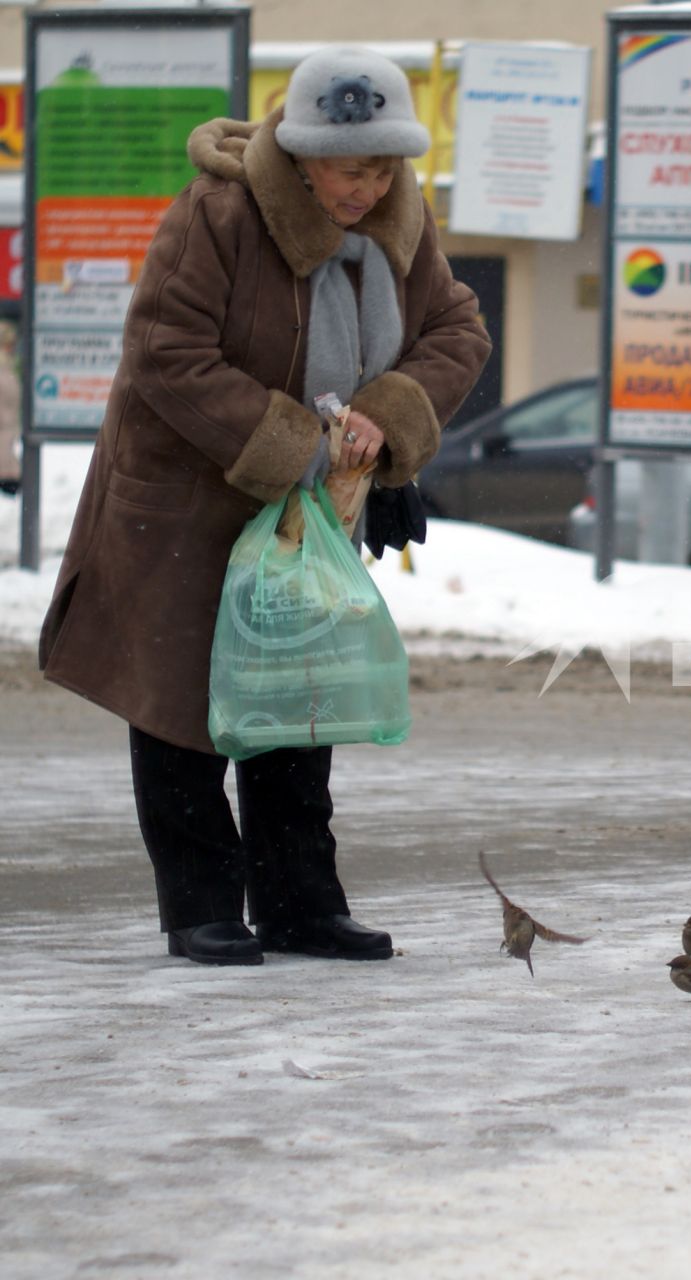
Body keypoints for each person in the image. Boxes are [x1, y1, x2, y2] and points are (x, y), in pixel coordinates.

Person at [38, 47, 491, 964]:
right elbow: (168, 350)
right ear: (298, 154)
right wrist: (299, 444)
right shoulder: (219, 212)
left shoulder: (403, 221)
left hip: (306, 516)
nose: (362, 188)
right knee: (184, 705)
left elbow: (456, 329)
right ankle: (201, 906)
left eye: (378, 167)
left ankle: (300, 906)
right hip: (183, 500)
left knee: (294, 699)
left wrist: (387, 420)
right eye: (343, 166)